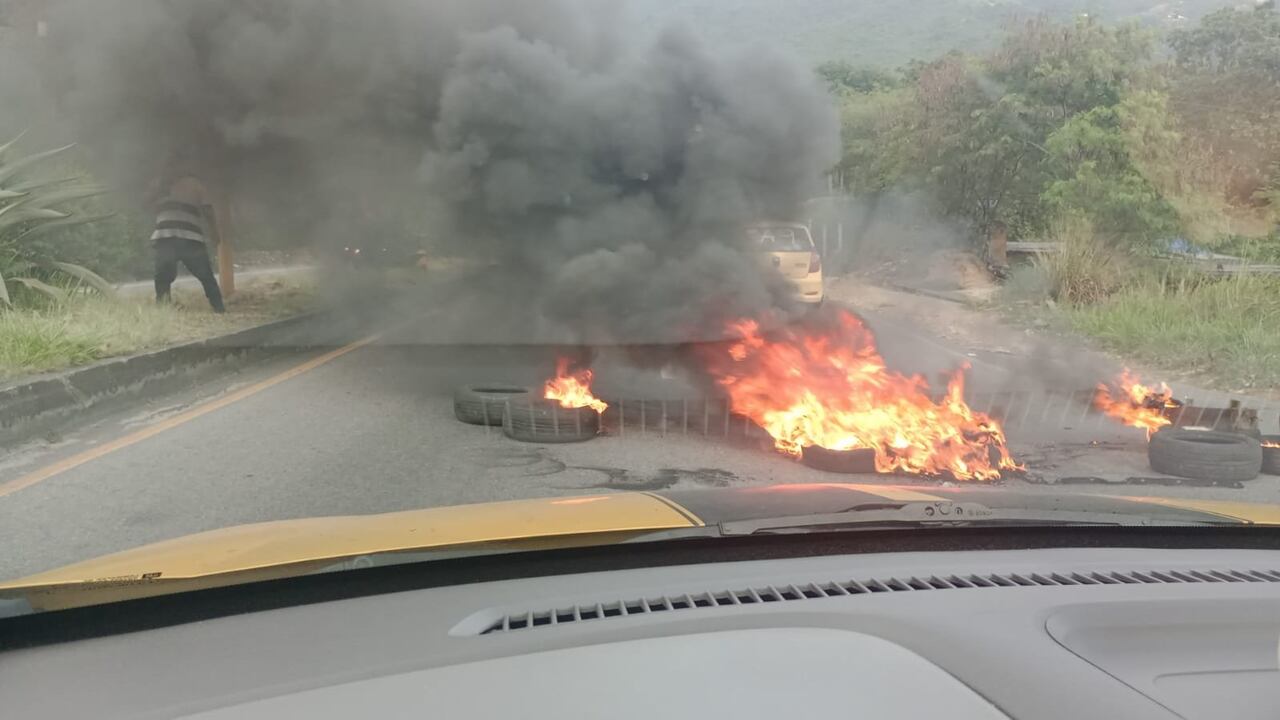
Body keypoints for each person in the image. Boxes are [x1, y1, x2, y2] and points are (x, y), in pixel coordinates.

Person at [149, 173, 225, 312]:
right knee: (164, 276)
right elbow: (148, 205)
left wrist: (214, 232)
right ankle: (163, 310)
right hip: (175, 236)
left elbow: (207, 209)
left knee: (204, 275)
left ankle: (219, 308)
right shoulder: (158, 182)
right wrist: (214, 232)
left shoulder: (194, 183)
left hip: (182, 237)